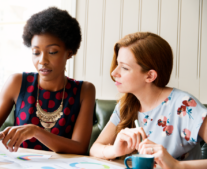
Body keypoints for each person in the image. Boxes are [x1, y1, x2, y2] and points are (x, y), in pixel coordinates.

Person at [0, 7, 95, 154]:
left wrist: (35, 131)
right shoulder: (17, 82)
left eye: (52, 52)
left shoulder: (85, 91)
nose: (42, 60)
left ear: (69, 52)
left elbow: (79, 147)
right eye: (36, 52)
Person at [89, 32, 207, 169]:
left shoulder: (185, 105)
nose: (114, 73)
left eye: (124, 67)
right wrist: (115, 150)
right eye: (117, 64)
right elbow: (95, 149)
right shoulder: (125, 105)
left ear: (150, 76)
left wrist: (177, 165)